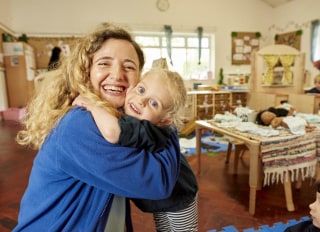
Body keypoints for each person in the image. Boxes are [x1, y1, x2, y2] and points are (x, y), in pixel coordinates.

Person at [13, 22, 181, 232]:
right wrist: (168, 123)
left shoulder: (116, 120)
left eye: (129, 66)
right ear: (86, 71)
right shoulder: (80, 124)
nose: (117, 74)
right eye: (104, 63)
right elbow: (159, 181)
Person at [73, 68, 198, 231]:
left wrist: (92, 105)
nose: (141, 101)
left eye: (154, 103)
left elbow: (112, 132)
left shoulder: (144, 128)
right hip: (168, 199)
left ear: (164, 121)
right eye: (141, 90)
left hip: (180, 199)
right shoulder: (141, 120)